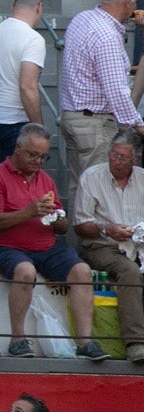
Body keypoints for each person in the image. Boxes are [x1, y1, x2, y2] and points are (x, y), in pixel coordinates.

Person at [0, 123, 108, 361]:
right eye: (33, 155)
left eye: (43, 156)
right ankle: (18, 340)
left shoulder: (46, 180)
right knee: (25, 270)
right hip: (6, 246)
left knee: (81, 270)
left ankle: (85, 342)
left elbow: (60, 221)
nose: (38, 161)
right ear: (17, 148)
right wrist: (29, 212)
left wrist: (59, 222)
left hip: (46, 246)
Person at [60, 0, 144, 183]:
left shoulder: (82, 18)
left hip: (72, 115)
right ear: (128, 3)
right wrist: (138, 125)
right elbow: (116, 90)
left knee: (78, 186)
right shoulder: (107, 36)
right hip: (94, 123)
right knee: (97, 188)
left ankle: (75, 217)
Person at [73, 132, 144, 364]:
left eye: (123, 157)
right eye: (114, 155)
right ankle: (135, 342)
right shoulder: (92, 177)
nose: (116, 161)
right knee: (129, 271)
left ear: (136, 159)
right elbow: (80, 226)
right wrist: (107, 228)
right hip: (100, 245)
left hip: (138, 245)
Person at [0, 0, 48, 162]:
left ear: (12, 6)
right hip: (15, 120)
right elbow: (27, 87)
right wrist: (38, 127)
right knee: (15, 183)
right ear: (39, 7)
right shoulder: (33, 39)